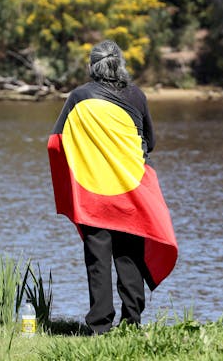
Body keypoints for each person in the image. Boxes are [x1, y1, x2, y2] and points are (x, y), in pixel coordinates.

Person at [47, 40, 178, 334]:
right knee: (129, 257)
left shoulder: (79, 97)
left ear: (92, 66)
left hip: (93, 193)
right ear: (121, 64)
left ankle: (99, 326)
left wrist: (80, 164)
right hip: (129, 192)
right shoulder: (137, 96)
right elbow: (150, 144)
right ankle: (132, 323)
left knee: (98, 261)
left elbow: (57, 141)